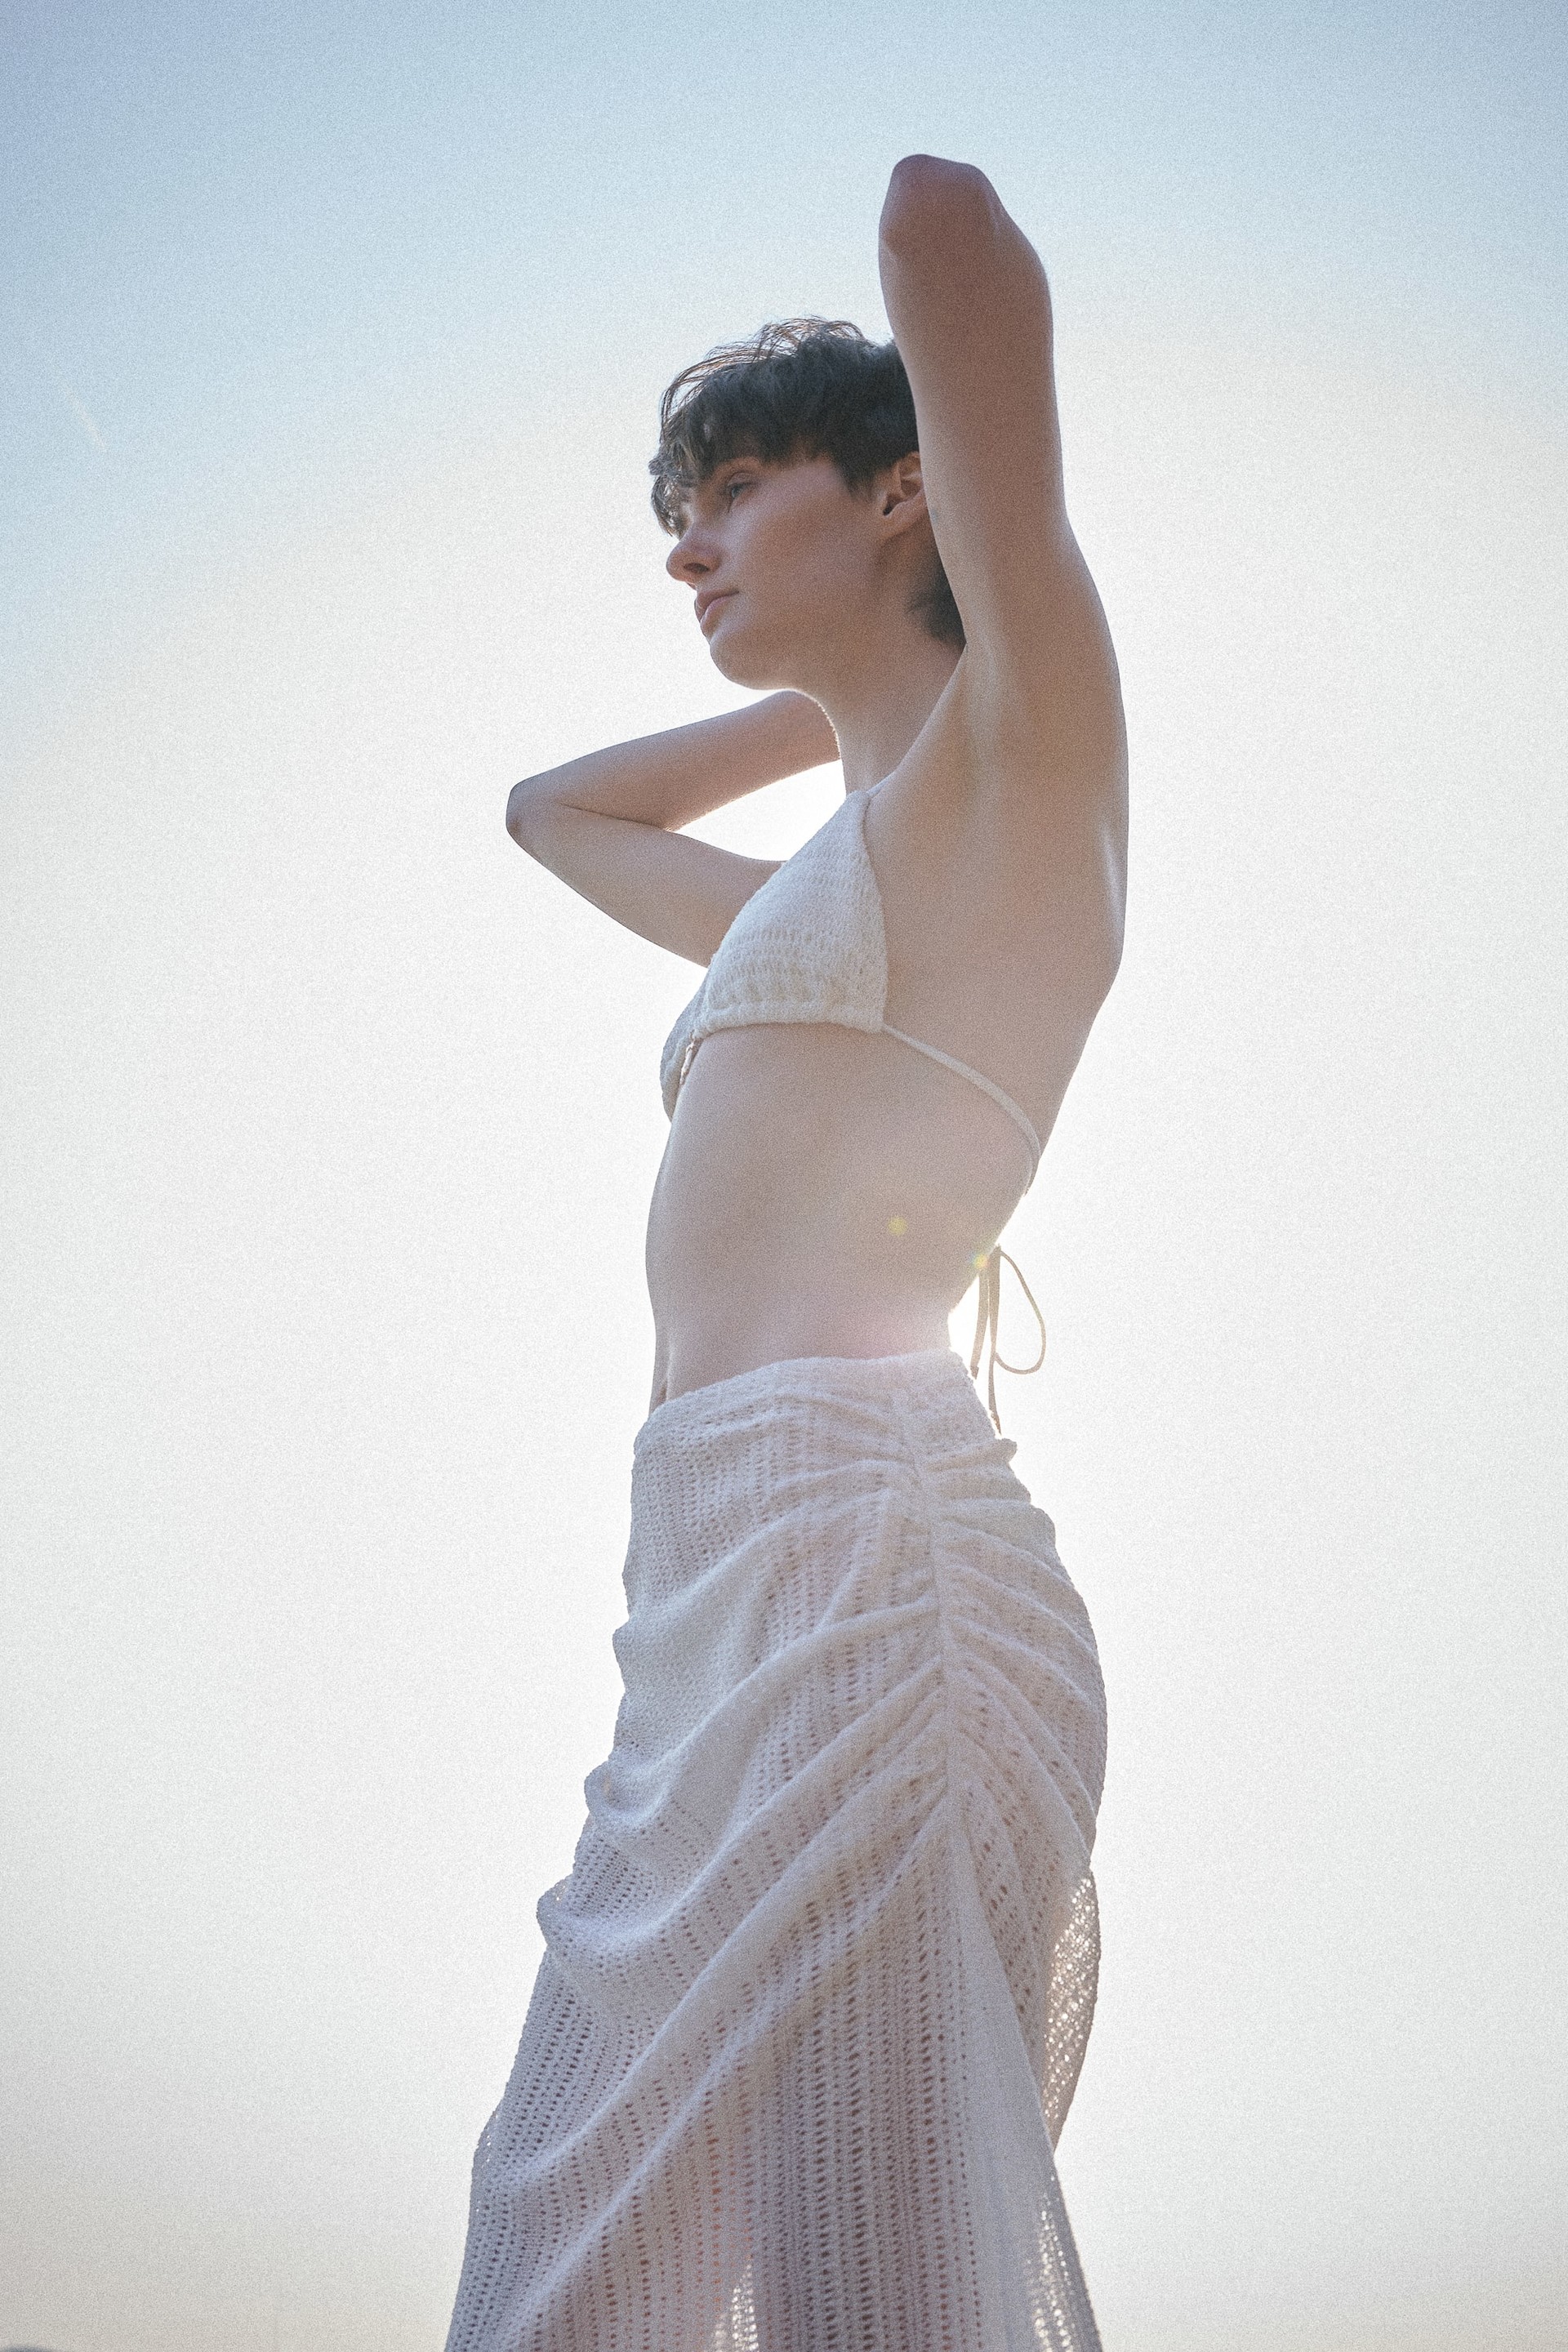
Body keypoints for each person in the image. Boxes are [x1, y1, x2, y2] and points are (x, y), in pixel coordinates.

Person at [447, 153, 1128, 2352]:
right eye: (686, 511)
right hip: (700, 1612)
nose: (688, 545)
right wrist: (822, 667)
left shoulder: (1024, 768)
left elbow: (945, 227)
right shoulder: (831, 877)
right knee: (550, 2277)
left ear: (907, 487)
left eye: (736, 492)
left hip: (871, 1569)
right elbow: (554, 815)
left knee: (872, 2302)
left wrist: (946, 564)